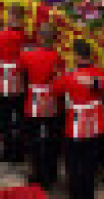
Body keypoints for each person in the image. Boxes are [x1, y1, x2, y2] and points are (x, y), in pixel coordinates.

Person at [51, 40, 104, 199]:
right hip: (95, 125)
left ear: (77, 56)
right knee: (89, 164)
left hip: (75, 125)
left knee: (74, 164)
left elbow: (55, 89)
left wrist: (58, 74)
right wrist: (97, 82)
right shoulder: (99, 73)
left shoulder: (69, 75)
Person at [19, 23, 63, 189]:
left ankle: (37, 174)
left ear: (40, 37)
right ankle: (51, 173)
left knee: (34, 139)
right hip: (52, 100)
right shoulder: (58, 57)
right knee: (51, 138)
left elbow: (22, 73)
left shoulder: (27, 55)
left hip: (34, 100)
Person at [0, 5, 28, 163]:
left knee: (4, 116)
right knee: (19, 115)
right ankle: (19, 149)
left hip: (4, 77)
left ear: (12, 18)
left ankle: (7, 150)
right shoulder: (27, 36)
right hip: (21, 78)